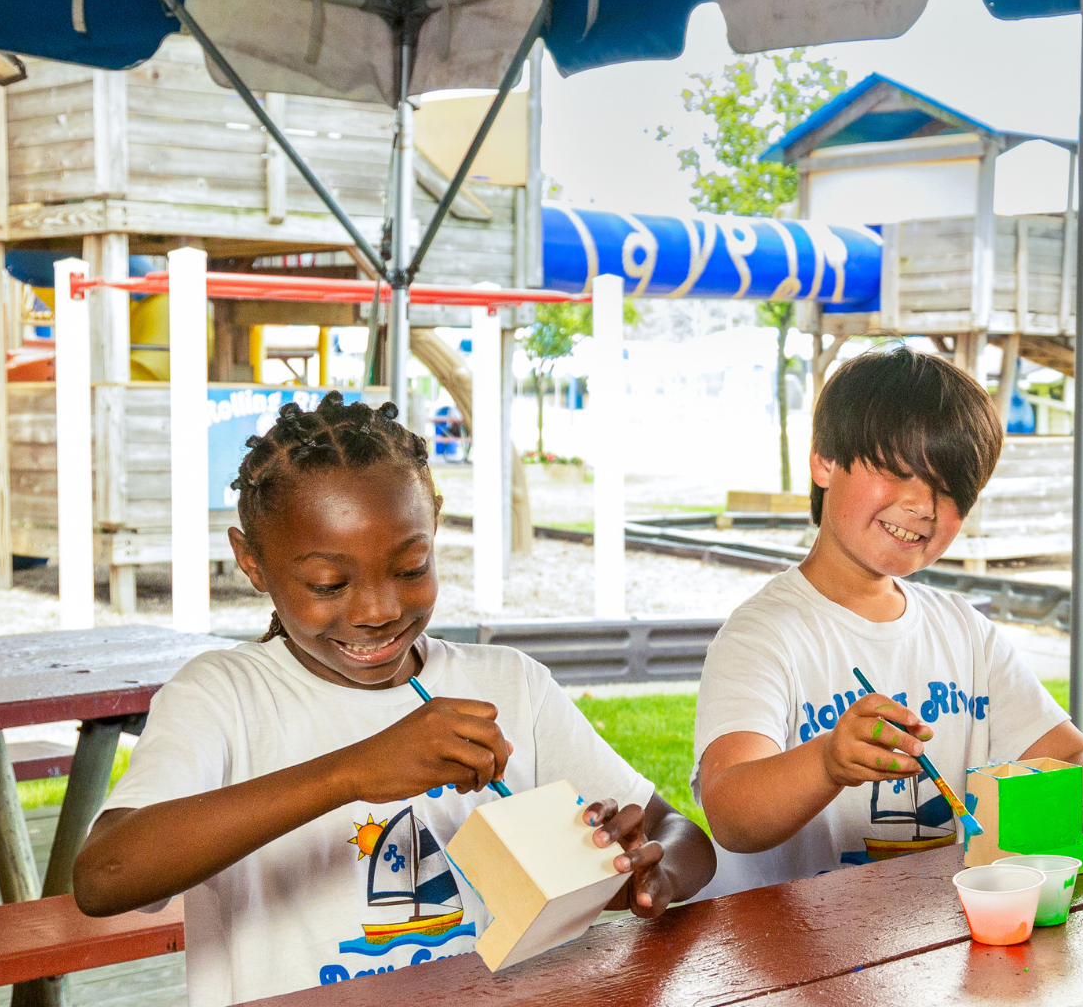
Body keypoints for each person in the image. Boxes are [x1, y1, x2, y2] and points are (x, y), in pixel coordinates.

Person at [73, 394, 713, 1005]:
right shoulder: (223, 698)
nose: (378, 610)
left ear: (433, 523)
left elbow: (680, 834)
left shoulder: (510, 685)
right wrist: (351, 772)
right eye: (328, 583)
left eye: (411, 569)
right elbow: (103, 877)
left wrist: (651, 876)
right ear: (253, 562)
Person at [693, 348, 1083, 895]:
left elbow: (1071, 756)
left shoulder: (965, 632)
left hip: (931, 950)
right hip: (792, 964)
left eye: (950, 490)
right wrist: (827, 761)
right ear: (824, 460)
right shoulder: (763, 635)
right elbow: (731, 812)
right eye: (900, 471)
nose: (922, 505)